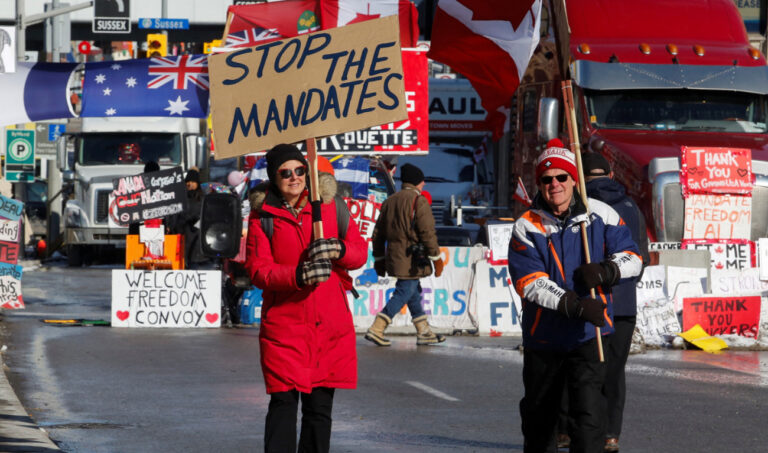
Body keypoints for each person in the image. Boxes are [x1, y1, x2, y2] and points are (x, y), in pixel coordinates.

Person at [508, 139, 642, 453]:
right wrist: (576, 306)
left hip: (590, 335)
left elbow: (633, 258)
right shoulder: (527, 226)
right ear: (539, 184)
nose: (555, 184)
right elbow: (530, 282)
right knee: (540, 423)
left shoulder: (601, 215)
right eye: (547, 179)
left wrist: (606, 271)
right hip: (545, 338)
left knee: (590, 420)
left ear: (574, 180)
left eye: (562, 177)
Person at [244, 144, 367, 453]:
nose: (294, 177)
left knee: (319, 410)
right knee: (283, 403)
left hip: (329, 326)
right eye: (285, 173)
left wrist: (339, 249)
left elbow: (359, 252)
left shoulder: (331, 206)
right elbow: (259, 270)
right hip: (285, 328)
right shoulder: (262, 217)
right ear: (274, 178)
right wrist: (297, 276)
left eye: (299, 170)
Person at [582, 152, 649, 452]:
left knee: (583, 368)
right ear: (610, 176)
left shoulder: (578, 208)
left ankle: (574, 431)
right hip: (623, 305)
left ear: (579, 179)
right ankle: (610, 434)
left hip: (589, 302)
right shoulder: (631, 206)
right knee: (614, 371)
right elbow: (641, 258)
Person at [365, 163, 446, 347]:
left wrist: (379, 259)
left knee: (413, 291)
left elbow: (377, 234)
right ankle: (377, 328)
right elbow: (427, 233)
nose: (424, 184)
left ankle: (424, 331)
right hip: (412, 260)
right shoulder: (419, 201)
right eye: (422, 181)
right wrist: (436, 258)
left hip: (395, 258)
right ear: (417, 182)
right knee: (404, 292)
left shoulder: (389, 201)